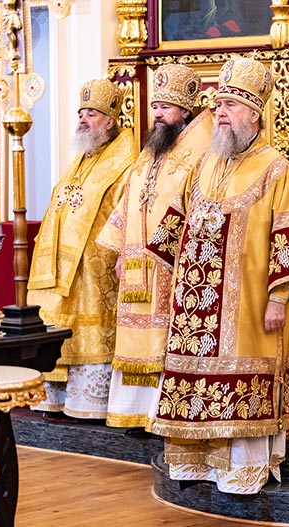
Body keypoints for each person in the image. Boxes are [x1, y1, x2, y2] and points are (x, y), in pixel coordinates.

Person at [149, 57, 289, 494]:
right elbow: (175, 224)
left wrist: (279, 298)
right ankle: (198, 463)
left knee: (241, 378)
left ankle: (241, 469)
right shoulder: (204, 162)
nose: (220, 112)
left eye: (230, 104)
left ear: (254, 114)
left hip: (249, 304)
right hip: (195, 308)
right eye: (218, 104)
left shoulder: (276, 168)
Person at [96, 64, 212, 429]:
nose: (158, 114)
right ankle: (133, 413)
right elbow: (131, 196)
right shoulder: (151, 149)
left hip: (171, 262)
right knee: (136, 337)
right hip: (136, 263)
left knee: (163, 339)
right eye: (156, 107)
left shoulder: (202, 147)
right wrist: (121, 250)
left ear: (185, 111)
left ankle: (158, 415)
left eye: (166, 107)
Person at [28, 79, 138, 419]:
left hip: (95, 268)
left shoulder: (125, 163)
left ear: (110, 121)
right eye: (81, 113)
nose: (83, 120)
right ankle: (54, 397)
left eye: (92, 114)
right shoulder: (81, 158)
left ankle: (87, 402)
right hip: (60, 268)